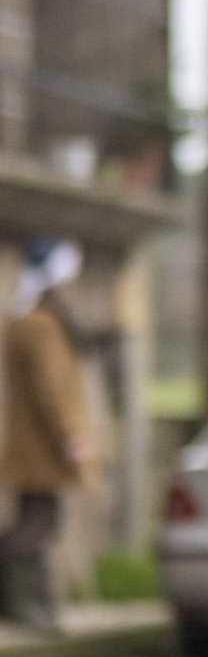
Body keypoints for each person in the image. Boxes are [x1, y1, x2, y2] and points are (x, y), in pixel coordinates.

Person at [1, 237, 93, 631]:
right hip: (41, 446)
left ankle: (34, 604)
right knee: (36, 522)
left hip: (34, 443)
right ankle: (25, 605)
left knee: (40, 518)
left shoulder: (33, 322)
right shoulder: (39, 326)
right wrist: (69, 436)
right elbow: (51, 388)